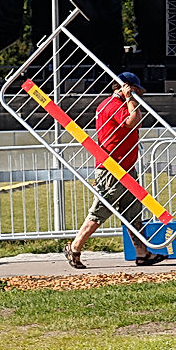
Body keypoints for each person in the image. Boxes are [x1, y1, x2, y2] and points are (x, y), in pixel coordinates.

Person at [63, 71, 168, 269]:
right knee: (99, 213)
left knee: (133, 214)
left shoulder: (117, 104)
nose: (139, 96)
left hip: (125, 168)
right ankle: (75, 247)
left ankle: (142, 254)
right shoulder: (114, 105)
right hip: (112, 169)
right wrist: (130, 99)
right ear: (126, 87)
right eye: (136, 90)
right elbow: (134, 121)